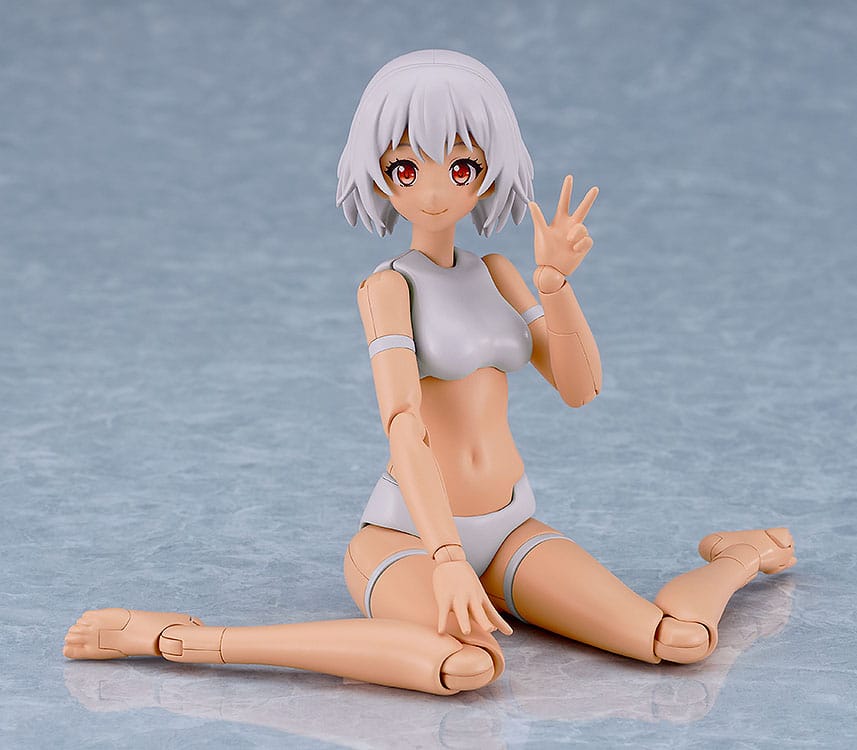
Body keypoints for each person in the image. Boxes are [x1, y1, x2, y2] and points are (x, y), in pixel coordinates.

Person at [63, 49, 796, 696]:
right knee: (464, 666)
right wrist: (445, 558)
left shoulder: (501, 272)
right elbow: (403, 428)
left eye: (462, 167)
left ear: (488, 172)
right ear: (380, 176)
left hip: (509, 527)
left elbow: (581, 389)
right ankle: (180, 638)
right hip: (406, 538)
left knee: (677, 641)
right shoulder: (389, 287)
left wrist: (555, 285)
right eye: (407, 169)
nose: (437, 191)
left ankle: (741, 554)